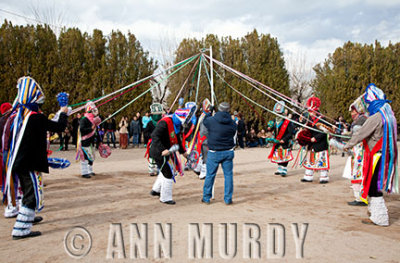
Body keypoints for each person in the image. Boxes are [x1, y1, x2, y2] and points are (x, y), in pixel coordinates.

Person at [2, 76, 68, 239]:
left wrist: (61, 113)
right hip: (27, 164)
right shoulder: (34, 117)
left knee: (28, 192)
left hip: (22, 162)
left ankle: (28, 218)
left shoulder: (21, 116)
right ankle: (21, 229)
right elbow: (58, 127)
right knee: (31, 195)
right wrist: (64, 111)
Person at [344, 84, 398, 226]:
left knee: (374, 186)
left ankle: (380, 218)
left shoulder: (376, 117)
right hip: (385, 156)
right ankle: (376, 214)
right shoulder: (389, 116)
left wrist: (348, 144)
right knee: (376, 186)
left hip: (376, 157)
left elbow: (362, 133)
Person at [148, 108, 192, 204]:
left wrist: (184, 153)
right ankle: (165, 198)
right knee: (168, 174)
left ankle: (155, 190)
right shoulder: (165, 123)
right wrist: (163, 149)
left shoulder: (175, 125)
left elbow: (177, 140)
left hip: (166, 152)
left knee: (165, 170)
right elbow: (154, 136)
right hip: (159, 152)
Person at [202, 102, 237, 205]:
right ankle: (228, 199)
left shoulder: (212, 120)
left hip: (214, 152)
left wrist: (209, 112)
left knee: (210, 175)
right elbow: (233, 131)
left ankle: (206, 197)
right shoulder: (232, 123)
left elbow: (205, 121)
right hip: (228, 151)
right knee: (228, 176)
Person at [300, 96, 330, 183]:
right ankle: (308, 175)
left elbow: (325, 131)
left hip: (320, 143)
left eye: (312, 111)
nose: (310, 113)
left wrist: (315, 138)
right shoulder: (309, 120)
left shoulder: (322, 120)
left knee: (321, 159)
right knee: (310, 159)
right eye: (309, 112)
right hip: (311, 144)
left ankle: (324, 176)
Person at [268, 101, 295, 177]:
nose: (278, 115)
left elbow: (290, 132)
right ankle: (279, 168)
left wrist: (285, 139)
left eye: (279, 114)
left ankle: (284, 168)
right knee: (278, 154)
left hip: (285, 141)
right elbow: (272, 129)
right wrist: (269, 128)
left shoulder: (287, 122)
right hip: (277, 140)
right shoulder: (274, 121)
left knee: (284, 155)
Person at [78, 102, 101, 179]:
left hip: (91, 141)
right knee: (85, 156)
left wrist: (99, 140)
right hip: (85, 141)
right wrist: (90, 129)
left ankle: (90, 170)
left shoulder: (94, 120)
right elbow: (82, 129)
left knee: (91, 156)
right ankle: (84, 172)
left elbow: (96, 132)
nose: (95, 112)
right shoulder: (84, 120)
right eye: (93, 111)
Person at [146, 103, 164, 176]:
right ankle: (152, 169)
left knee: (161, 155)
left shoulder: (163, 122)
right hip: (152, 142)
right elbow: (146, 133)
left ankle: (160, 168)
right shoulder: (150, 123)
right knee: (152, 155)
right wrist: (151, 137)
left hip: (161, 142)